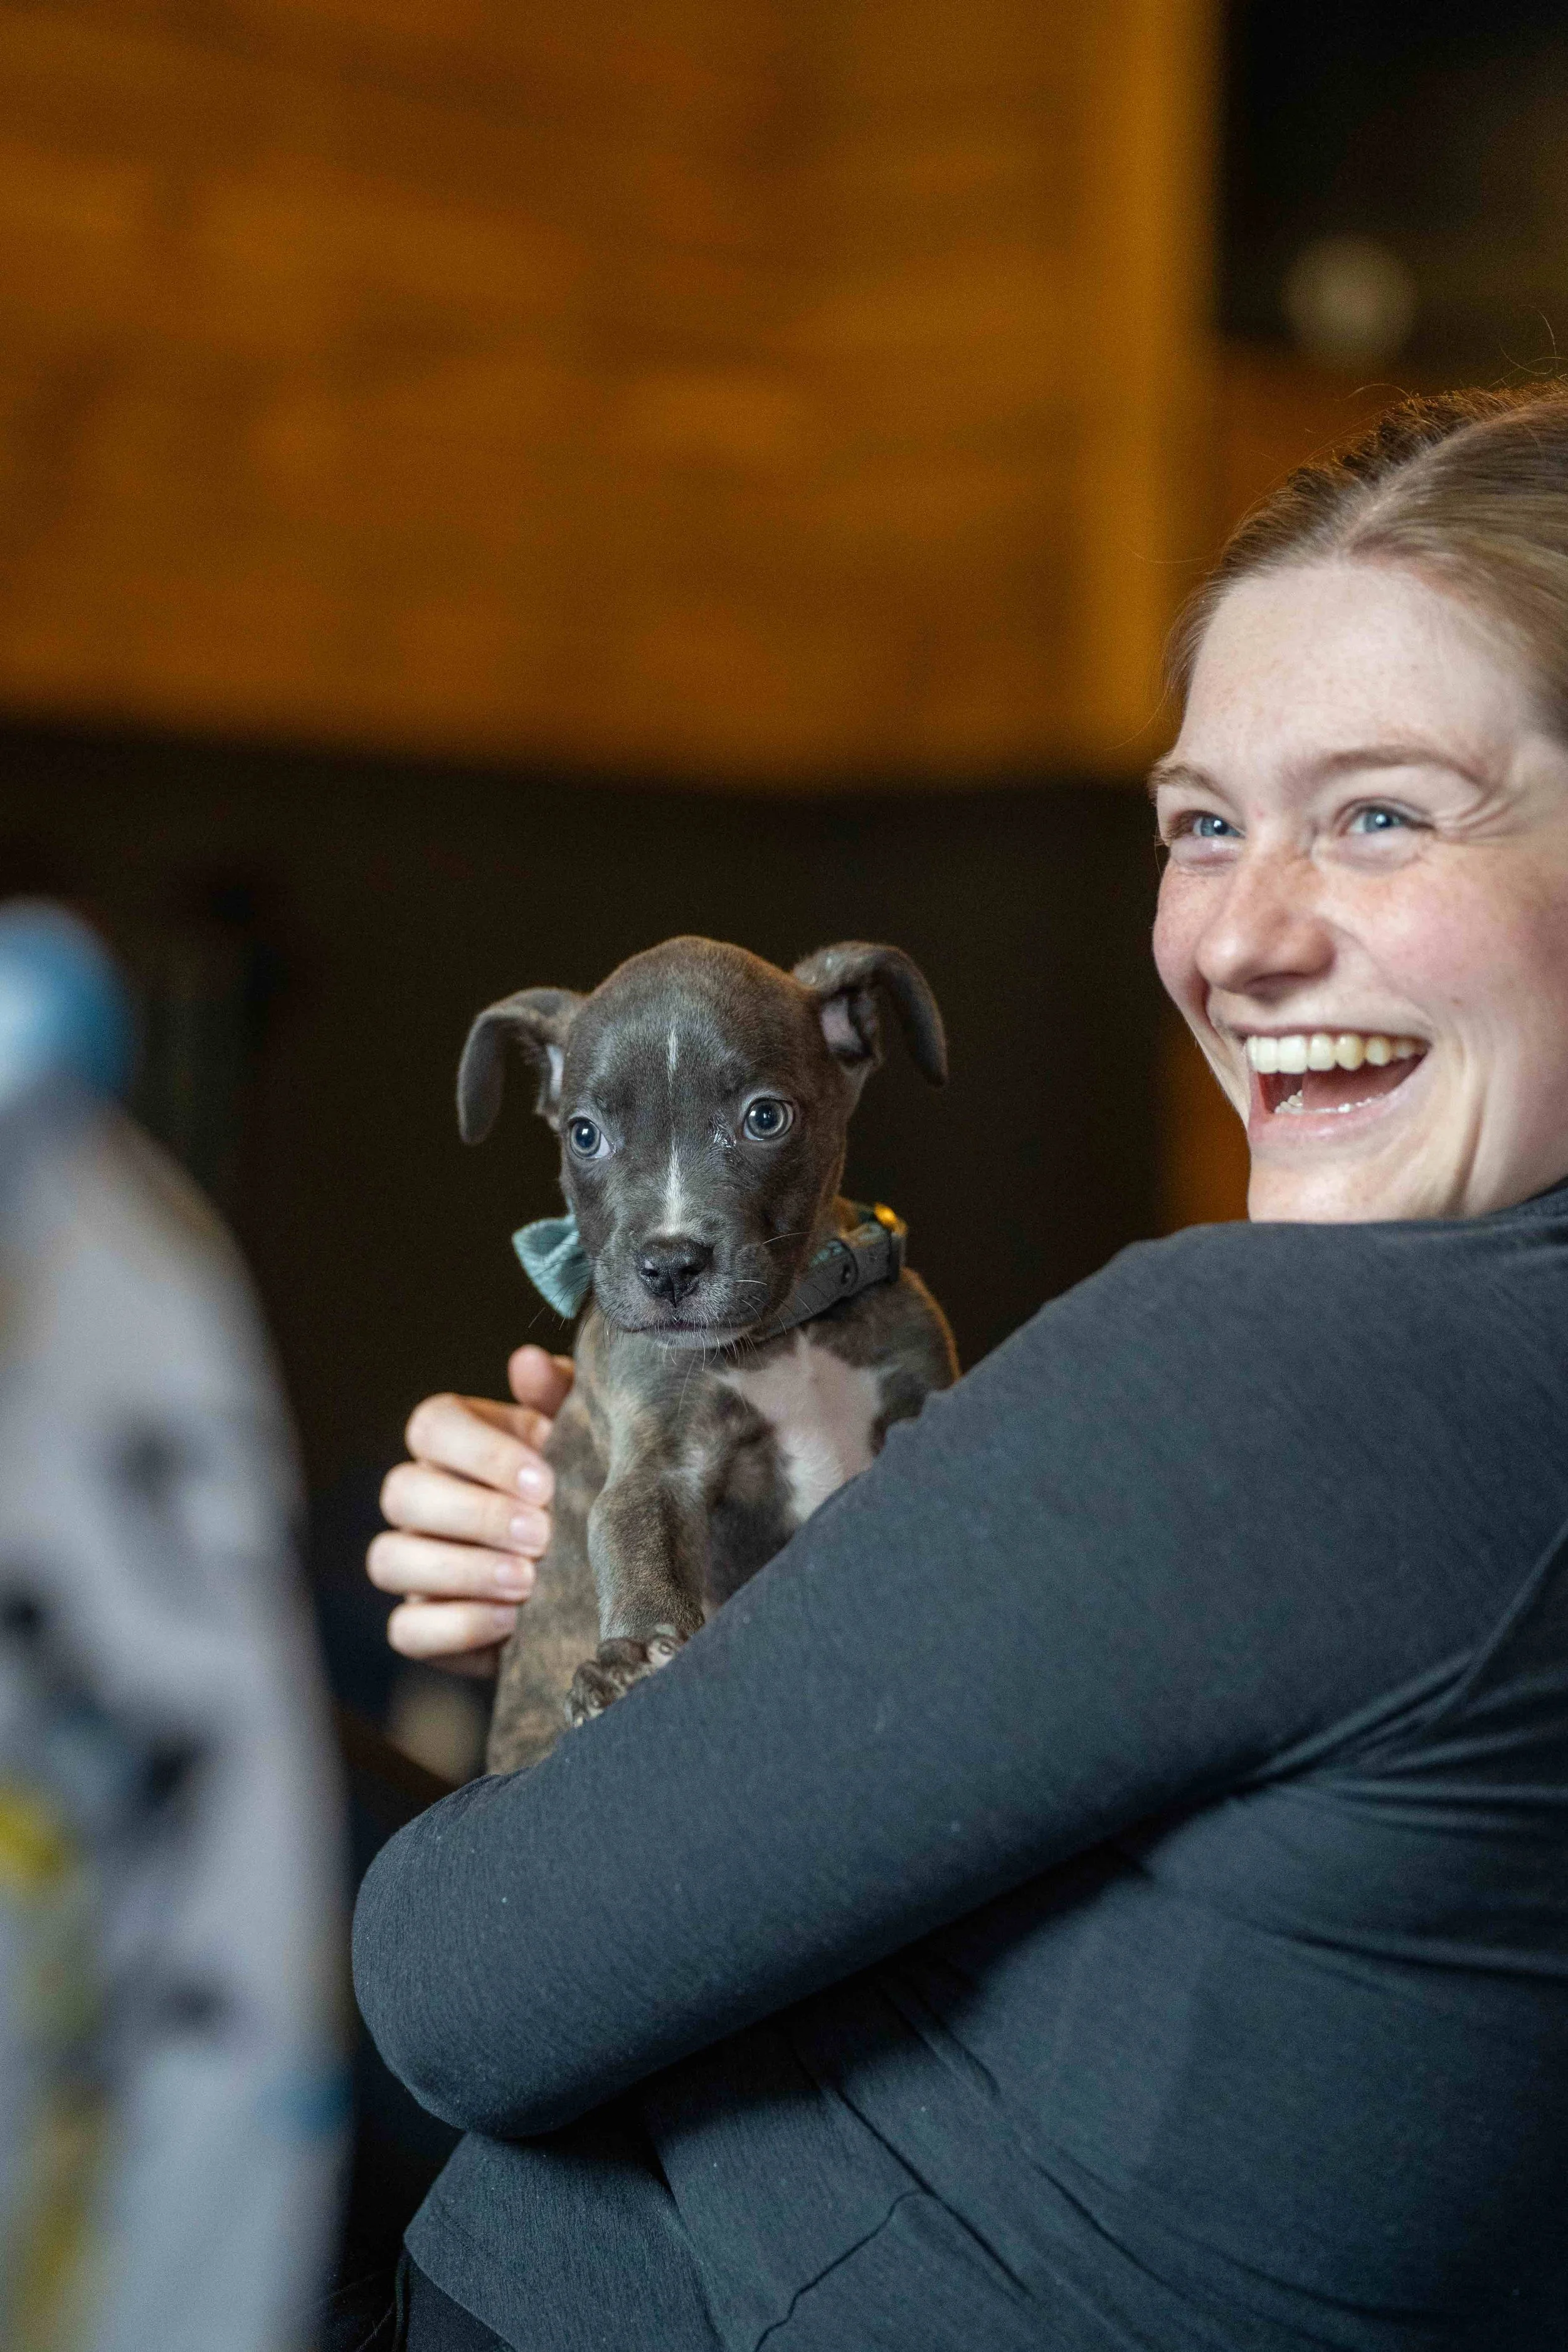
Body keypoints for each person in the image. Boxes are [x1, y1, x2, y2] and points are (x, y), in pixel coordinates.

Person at [353, 388, 1568, 2350]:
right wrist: (643, 1577)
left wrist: (650, 1715)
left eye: (1379, 813)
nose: (1239, 938)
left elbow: (453, 1987)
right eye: (1199, 824)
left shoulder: (1257, 1370)